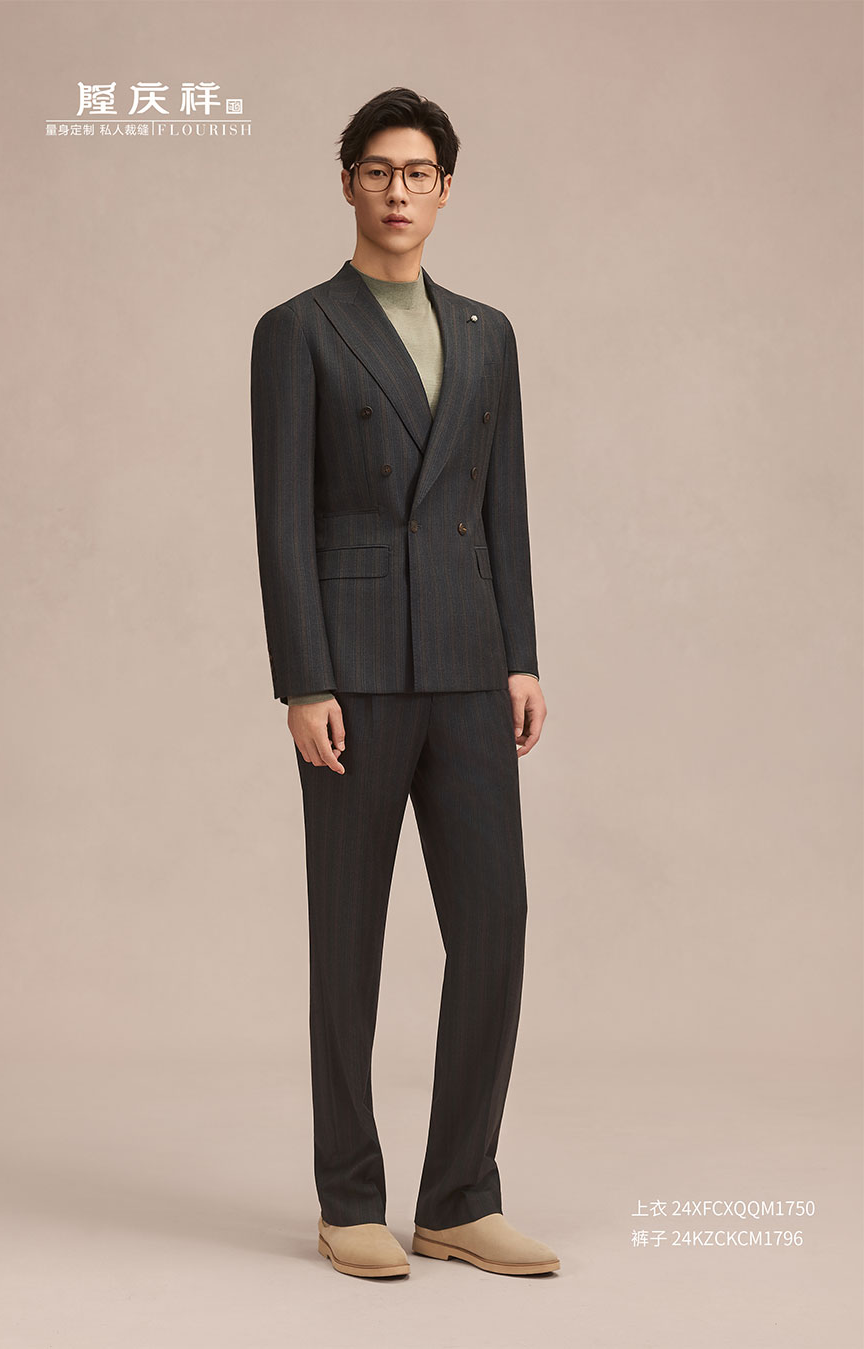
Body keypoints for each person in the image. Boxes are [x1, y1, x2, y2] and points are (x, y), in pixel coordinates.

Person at [250, 87, 559, 1279]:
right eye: (377, 170)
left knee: (495, 923)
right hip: (355, 672)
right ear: (347, 183)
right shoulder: (299, 328)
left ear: (444, 189)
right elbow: (282, 518)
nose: (397, 190)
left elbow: (503, 505)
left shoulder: (487, 332)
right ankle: (349, 1198)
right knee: (350, 935)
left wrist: (521, 653)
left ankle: (459, 1196)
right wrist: (303, 677)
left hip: (472, 663)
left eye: (417, 172)